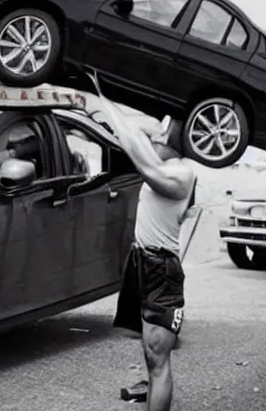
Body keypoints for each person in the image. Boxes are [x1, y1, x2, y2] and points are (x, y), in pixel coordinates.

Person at [74, 75, 196, 411]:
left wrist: (103, 99)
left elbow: (138, 151)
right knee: (148, 349)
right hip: (143, 260)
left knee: (159, 359)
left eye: (163, 131)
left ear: (175, 137)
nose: (155, 135)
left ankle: (156, 391)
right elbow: (138, 135)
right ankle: (149, 389)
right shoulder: (164, 162)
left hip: (162, 269)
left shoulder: (181, 173)